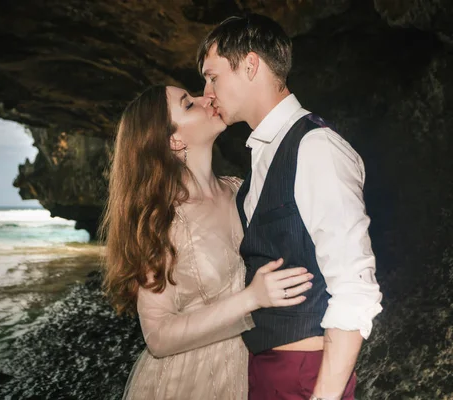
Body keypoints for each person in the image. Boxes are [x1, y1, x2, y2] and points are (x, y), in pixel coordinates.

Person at [197, 13, 383, 400]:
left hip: (304, 376)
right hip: (269, 373)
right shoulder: (262, 157)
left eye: (213, 76)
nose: (207, 91)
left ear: (250, 65)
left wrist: (323, 394)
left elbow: (355, 286)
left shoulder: (316, 148)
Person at [100, 85, 314, 400]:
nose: (207, 98)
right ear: (174, 140)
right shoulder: (159, 222)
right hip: (193, 380)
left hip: (260, 362)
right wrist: (251, 298)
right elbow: (157, 336)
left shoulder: (242, 190)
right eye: (189, 104)